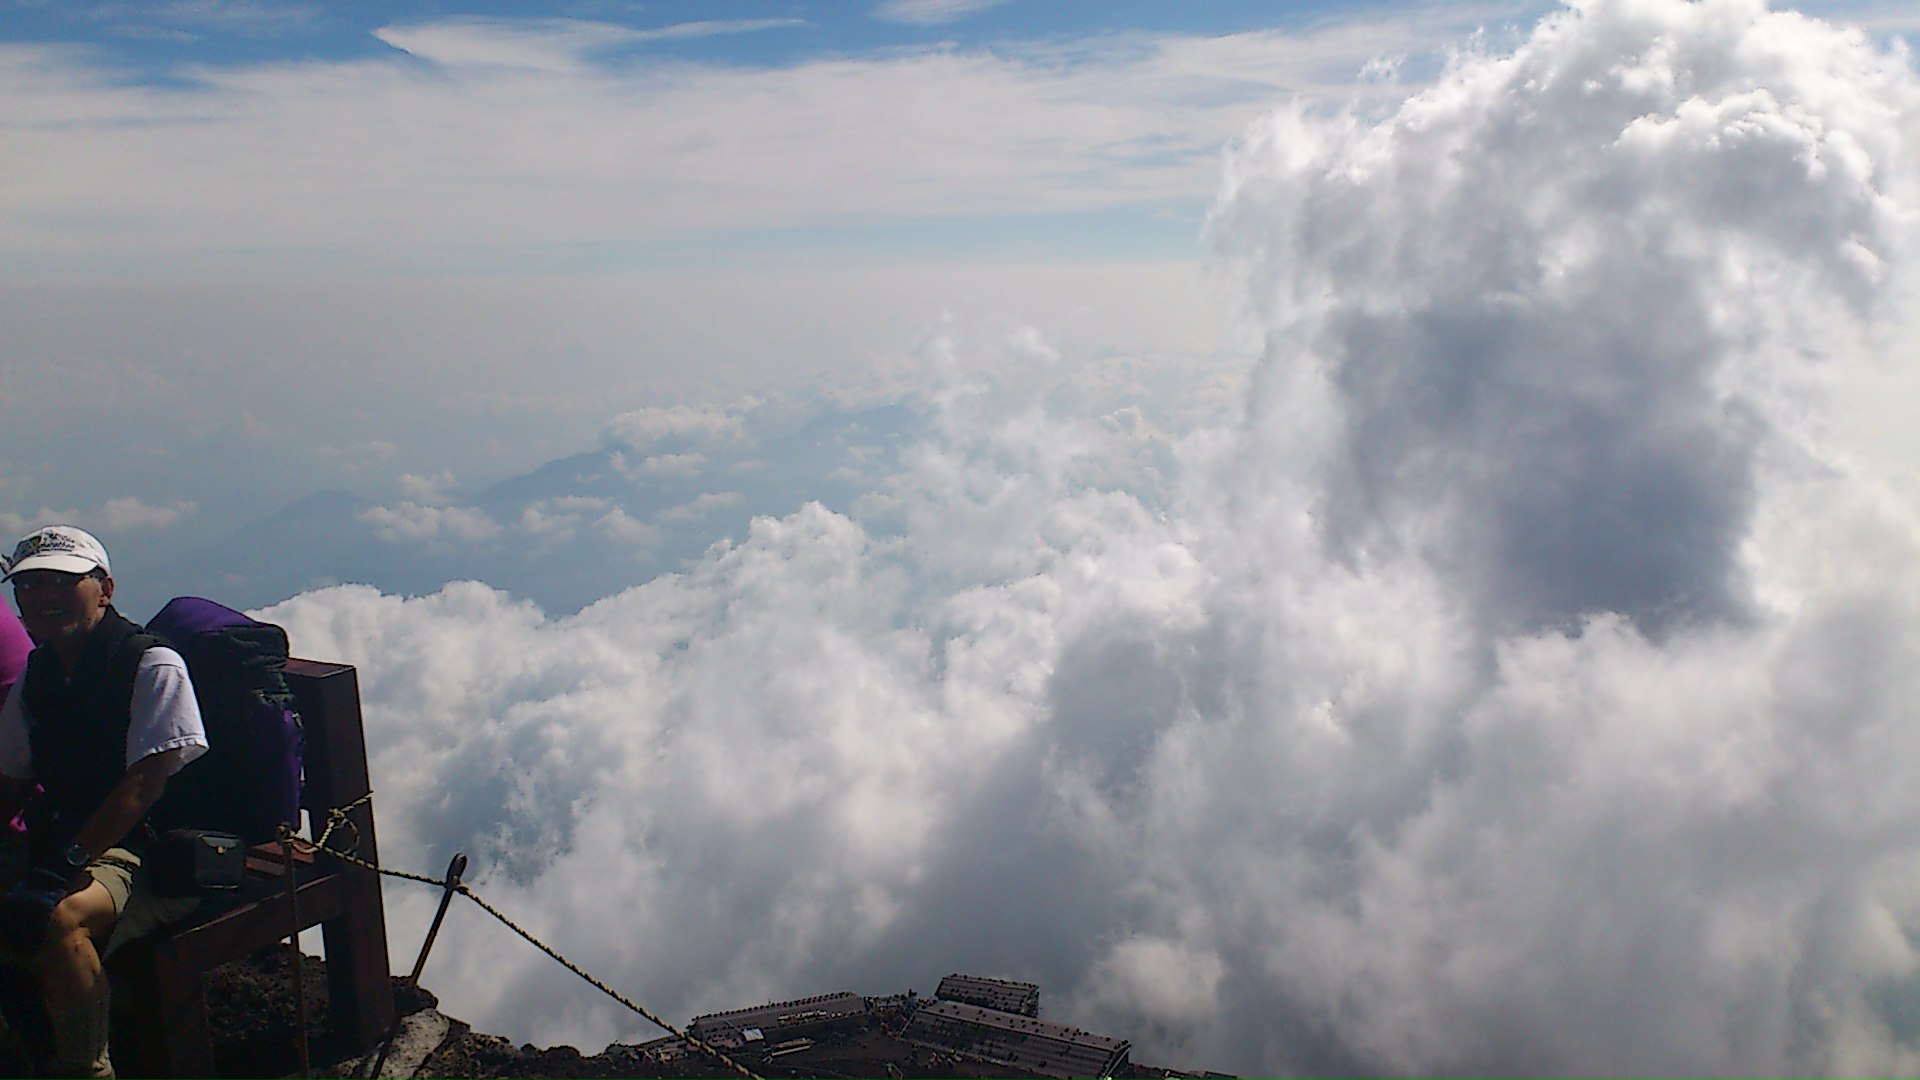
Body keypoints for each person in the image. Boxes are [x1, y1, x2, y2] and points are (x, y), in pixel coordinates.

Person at [0, 526, 208, 1080]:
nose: (43, 596)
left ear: (105, 588)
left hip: (145, 852)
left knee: (58, 919)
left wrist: (62, 867)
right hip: (70, 839)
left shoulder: (152, 665)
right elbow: (12, 777)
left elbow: (143, 786)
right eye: (29, 585)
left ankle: (85, 1067)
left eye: (64, 581)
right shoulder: (40, 675)